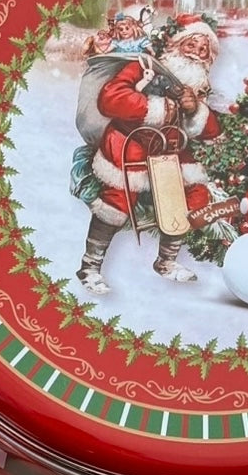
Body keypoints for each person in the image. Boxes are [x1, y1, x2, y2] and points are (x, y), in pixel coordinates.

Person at [76, 16, 220, 295]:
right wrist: (159, 108)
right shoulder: (143, 65)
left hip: (170, 150)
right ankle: (90, 267)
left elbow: (211, 130)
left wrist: (194, 110)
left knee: (194, 195)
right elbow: (111, 99)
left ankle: (167, 260)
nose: (196, 53)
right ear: (175, 45)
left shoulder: (198, 85)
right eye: (191, 45)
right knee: (117, 201)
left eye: (203, 50)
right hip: (129, 145)